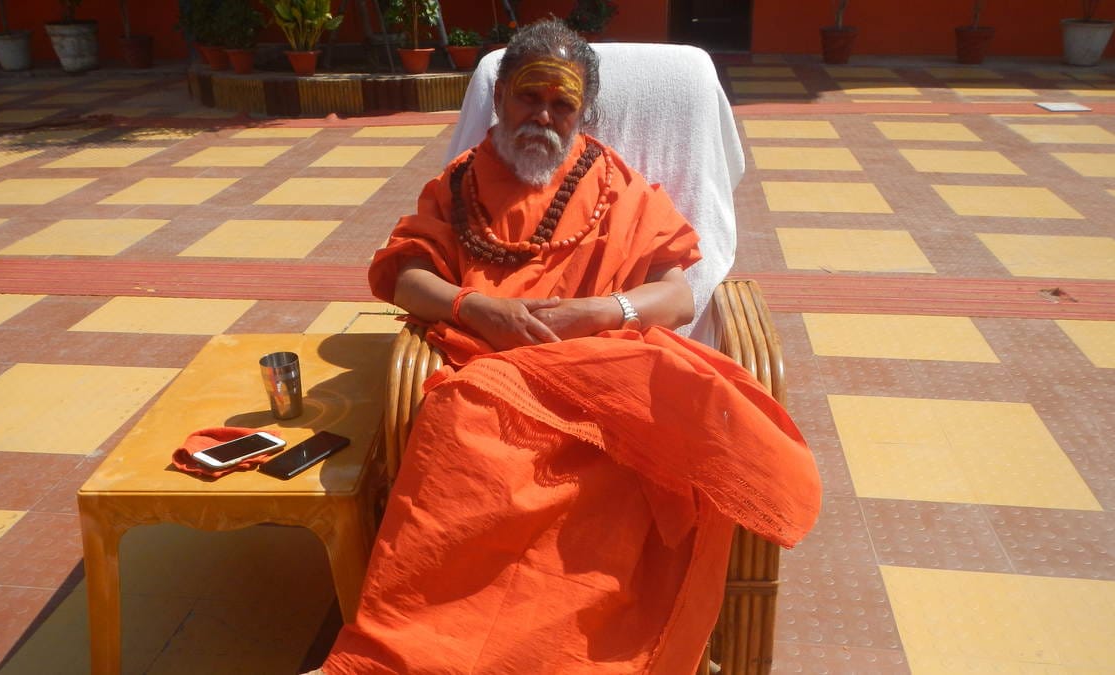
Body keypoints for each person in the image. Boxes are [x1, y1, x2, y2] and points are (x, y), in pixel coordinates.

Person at [321, 19, 821, 674]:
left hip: (603, 387)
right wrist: (477, 307)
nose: (545, 117)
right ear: (500, 100)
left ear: (583, 112)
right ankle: (417, 655)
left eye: (563, 105)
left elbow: (676, 296)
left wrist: (602, 311)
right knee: (462, 419)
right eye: (531, 98)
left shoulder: (616, 185)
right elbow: (406, 275)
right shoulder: (459, 186)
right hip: (492, 379)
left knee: (628, 481)